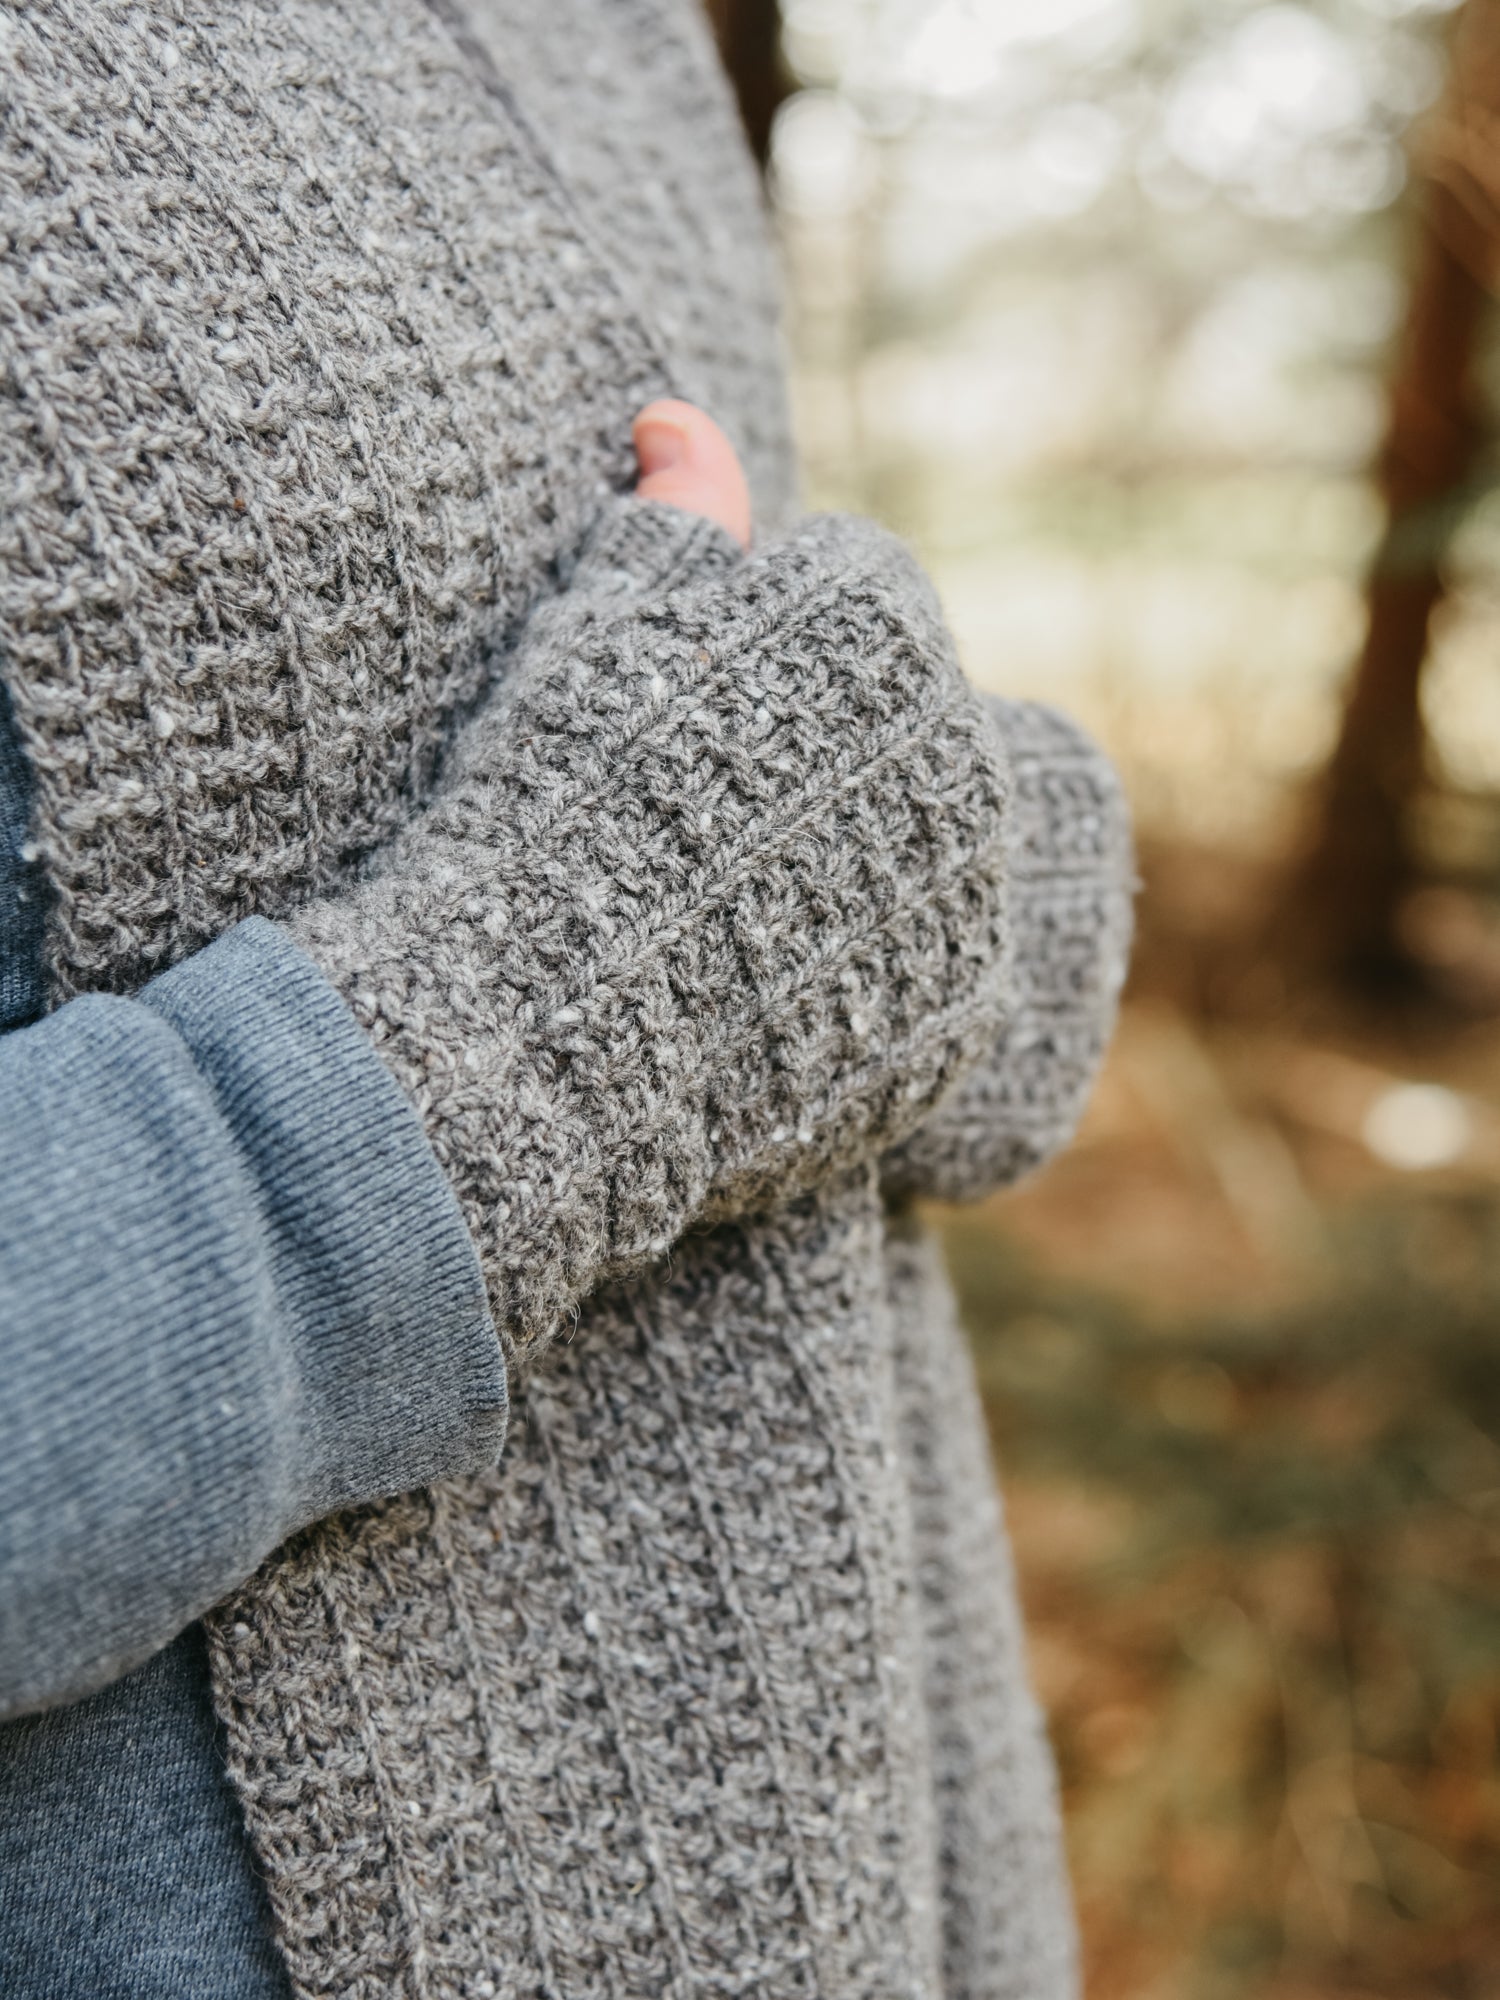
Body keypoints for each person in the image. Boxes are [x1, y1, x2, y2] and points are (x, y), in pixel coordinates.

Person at [0, 2, 1134, 1995]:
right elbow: (659, 925)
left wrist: (904, 870)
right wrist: (546, 1020)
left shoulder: (615, 30)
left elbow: (735, 777)